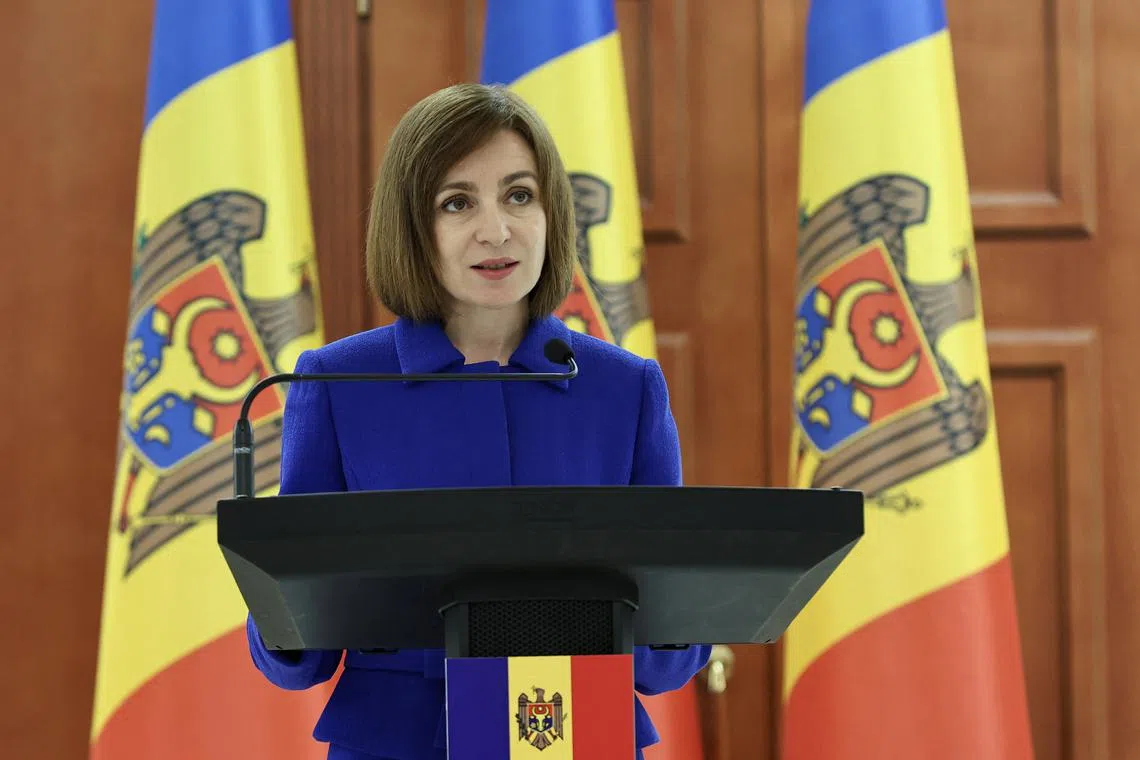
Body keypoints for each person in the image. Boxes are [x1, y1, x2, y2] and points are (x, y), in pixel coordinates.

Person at [244, 82, 711, 760]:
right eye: (457, 202)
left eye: (519, 195)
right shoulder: (336, 384)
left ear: (552, 212)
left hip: (577, 733)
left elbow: (664, 659)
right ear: (413, 227)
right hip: (398, 742)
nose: (497, 230)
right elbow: (299, 657)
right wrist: (276, 594)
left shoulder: (626, 388)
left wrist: (676, 619)